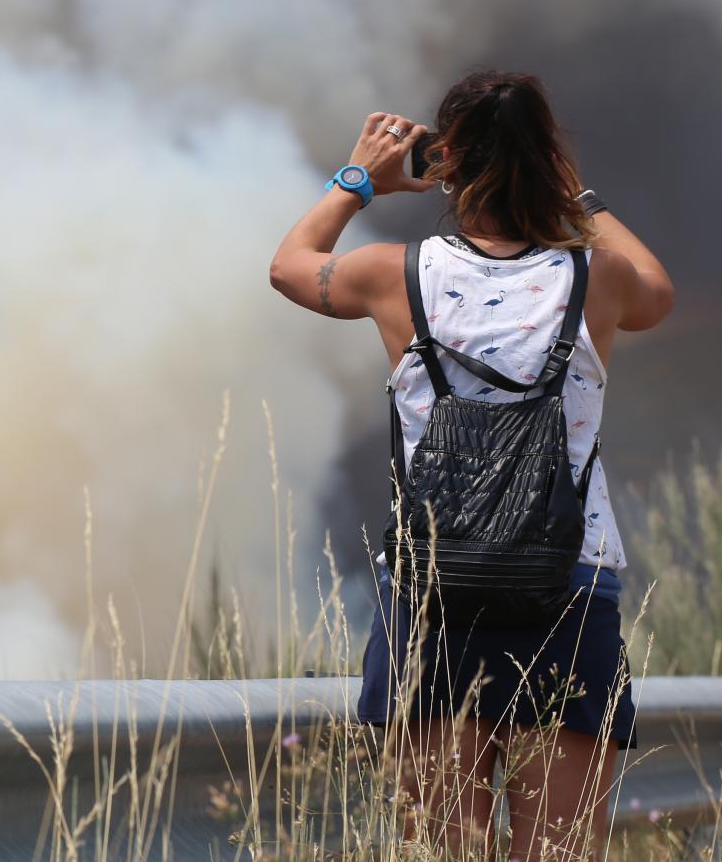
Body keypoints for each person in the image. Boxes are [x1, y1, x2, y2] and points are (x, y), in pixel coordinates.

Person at [268, 70, 674, 860]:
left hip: (432, 590)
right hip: (569, 584)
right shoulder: (599, 279)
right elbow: (657, 291)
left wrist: (359, 178)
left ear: (445, 161)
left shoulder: (394, 273)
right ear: (548, 160)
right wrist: (574, 194)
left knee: (442, 848)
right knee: (557, 850)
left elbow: (292, 264)